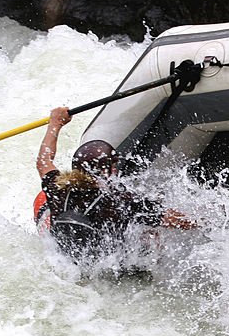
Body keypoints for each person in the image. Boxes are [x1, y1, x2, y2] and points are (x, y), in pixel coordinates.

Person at [34, 107, 194, 262]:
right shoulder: (121, 201)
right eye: (113, 165)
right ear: (106, 170)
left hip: (65, 256)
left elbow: (44, 161)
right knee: (151, 233)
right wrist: (206, 223)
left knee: (43, 199)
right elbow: (177, 221)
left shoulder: (57, 187)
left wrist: (55, 123)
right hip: (107, 265)